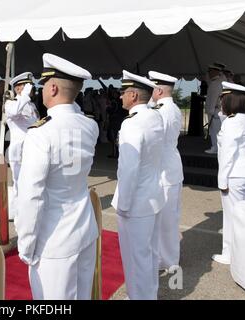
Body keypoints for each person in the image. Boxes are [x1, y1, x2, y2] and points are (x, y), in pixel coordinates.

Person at [16, 53, 99, 300]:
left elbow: (32, 195)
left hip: (54, 239)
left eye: (43, 86)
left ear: (52, 88)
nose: (41, 92)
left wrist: (27, 245)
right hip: (84, 228)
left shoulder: (41, 133)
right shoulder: (89, 126)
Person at [111, 70, 165, 300]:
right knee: (149, 254)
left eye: (123, 92)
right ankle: (147, 294)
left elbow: (129, 170)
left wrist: (123, 204)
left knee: (135, 257)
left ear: (133, 95)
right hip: (153, 195)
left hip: (136, 202)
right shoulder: (155, 116)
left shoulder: (132, 124)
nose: (120, 96)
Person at [212, 81, 245, 265]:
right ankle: (240, 252)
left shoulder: (232, 123)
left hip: (233, 174)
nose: (221, 103)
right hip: (243, 172)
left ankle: (230, 254)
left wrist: (222, 181)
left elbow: (227, 153)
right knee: (240, 214)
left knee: (231, 217)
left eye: (223, 99)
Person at [148, 71, 184, 271]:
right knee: (166, 217)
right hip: (169, 166)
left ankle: (169, 260)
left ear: (159, 90)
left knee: (168, 219)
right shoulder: (169, 108)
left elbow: (157, 142)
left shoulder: (163, 110)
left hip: (165, 169)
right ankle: (166, 256)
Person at [4, 72, 39, 222]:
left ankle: (30, 212)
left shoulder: (31, 105)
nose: (30, 89)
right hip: (19, 149)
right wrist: (24, 95)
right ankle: (18, 215)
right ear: (18, 88)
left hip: (33, 147)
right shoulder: (11, 103)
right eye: (26, 86)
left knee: (32, 181)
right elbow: (13, 112)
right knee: (19, 182)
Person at [204, 65, 224, 154]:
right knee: (216, 130)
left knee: (214, 130)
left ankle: (215, 147)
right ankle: (217, 147)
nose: (209, 74)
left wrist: (211, 111)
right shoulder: (217, 81)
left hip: (214, 110)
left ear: (215, 72)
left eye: (210, 72)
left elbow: (214, 98)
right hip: (217, 110)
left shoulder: (215, 83)